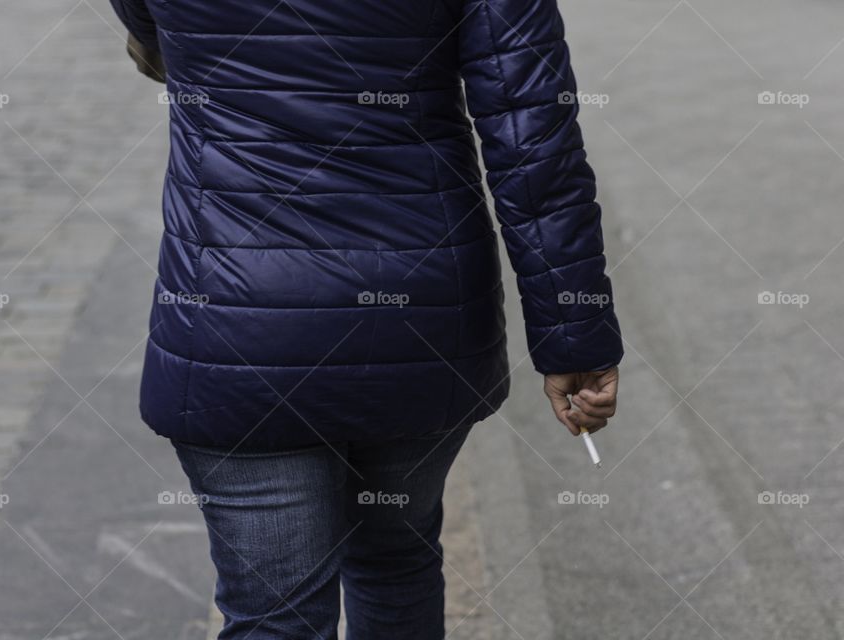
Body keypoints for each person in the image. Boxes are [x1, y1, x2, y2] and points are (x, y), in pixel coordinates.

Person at [110, 0, 622, 637]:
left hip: (235, 326)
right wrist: (573, 335)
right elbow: (535, 146)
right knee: (396, 561)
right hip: (418, 314)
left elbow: (149, 35)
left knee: (275, 617)